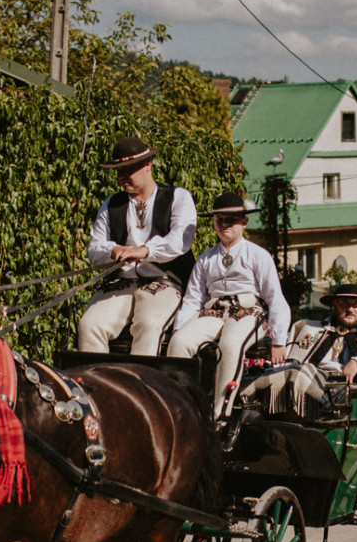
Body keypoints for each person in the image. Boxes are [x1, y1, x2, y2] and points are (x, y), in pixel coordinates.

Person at [166, 192, 290, 416]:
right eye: (219, 220)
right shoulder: (206, 258)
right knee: (179, 342)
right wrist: (180, 326)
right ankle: (179, 408)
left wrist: (279, 340)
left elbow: (275, 297)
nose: (224, 225)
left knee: (230, 345)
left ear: (244, 221)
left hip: (248, 313)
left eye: (230, 220)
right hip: (213, 312)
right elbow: (193, 298)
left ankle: (220, 414)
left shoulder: (258, 255)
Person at [78, 136, 198, 356]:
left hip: (163, 281)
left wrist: (144, 251)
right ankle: (95, 386)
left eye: (128, 170)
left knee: (149, 325)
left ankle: (141, 386)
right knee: (89, 325)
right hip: (120, 282)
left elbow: (180, 240)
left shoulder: (178, 197)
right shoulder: (111, 204)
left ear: (147, 165)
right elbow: (94, 249)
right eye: (118, 171)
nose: (122, 177)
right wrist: (112, 251)